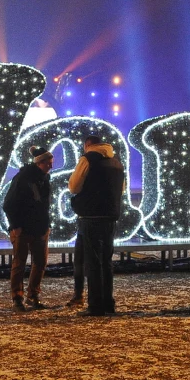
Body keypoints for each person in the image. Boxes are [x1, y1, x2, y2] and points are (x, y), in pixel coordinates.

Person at [68, 135, 126, 316]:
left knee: (92, 262)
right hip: (110, 217)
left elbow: (74, 187)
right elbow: (122, 189)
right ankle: (108, 303)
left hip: (90, 216)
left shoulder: (87, 159)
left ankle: (95, 305)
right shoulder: (116, 163)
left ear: (87, 145)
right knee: (106, 261)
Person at [4, 146, 54, 311]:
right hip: (25, 227)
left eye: (51, 162)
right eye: (48, 163)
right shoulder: (24, 178)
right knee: (21, 262)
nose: (51, 166)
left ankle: (31, 295)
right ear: (39, 163)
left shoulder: (42, 178)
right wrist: (16, 225)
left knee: (38, 262)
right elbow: (9, 204)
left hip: (39, 226)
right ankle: (18, 297)